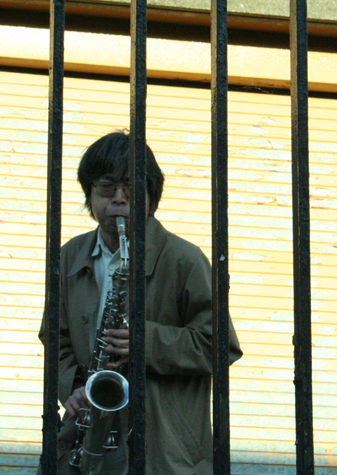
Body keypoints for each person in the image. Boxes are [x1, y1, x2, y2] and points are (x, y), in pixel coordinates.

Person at [39, 130, 242, 475]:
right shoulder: (70, 255)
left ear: (150, 196)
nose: (119, 199)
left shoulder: (184, 259)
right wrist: (73, 388)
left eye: (131, 189)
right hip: (89, 436)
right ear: (89, 194)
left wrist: (143, 341)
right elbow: (55, 339)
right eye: (106, 188)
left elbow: (220, 346)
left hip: (165, 448)